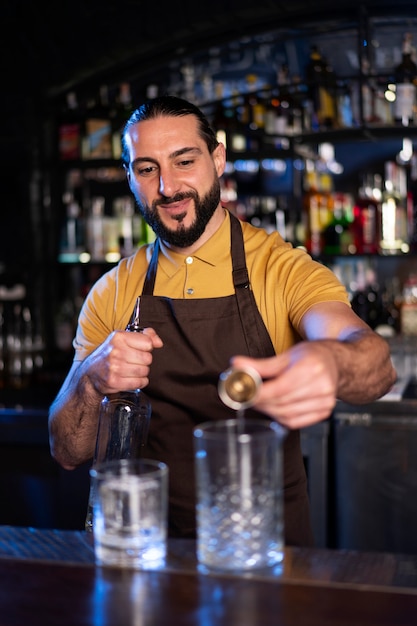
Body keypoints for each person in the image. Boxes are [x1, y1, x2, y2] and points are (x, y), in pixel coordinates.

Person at [48, 95, 396, 545]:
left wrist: (332, 363)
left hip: (265, 554)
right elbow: (67, 451)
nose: (168, 187)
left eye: (184, 161)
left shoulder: (283, 269)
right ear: (131, 178)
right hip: (148, 553)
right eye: (147, 169)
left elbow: (375, 363)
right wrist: (92, 379)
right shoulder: (114, 290)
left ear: (217, 159)